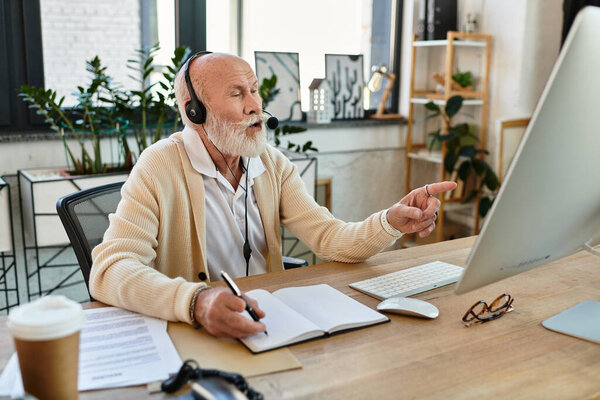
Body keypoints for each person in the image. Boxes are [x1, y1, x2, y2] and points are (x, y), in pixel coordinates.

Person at [90, 52, 456, 339]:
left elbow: (328, 238)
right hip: (199, 332)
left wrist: (390, 221)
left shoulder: (270, 162)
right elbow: (109, 270)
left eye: (254, 90)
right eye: (237, 93)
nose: (255, 106)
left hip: (272, 322)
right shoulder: (159, 166)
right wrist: (195, 301)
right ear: (195, 111)